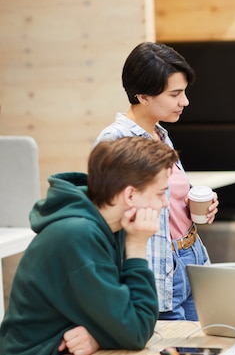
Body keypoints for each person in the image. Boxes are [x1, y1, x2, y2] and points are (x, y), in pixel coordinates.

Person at [0, 136, 179, 355]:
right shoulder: (78, 235)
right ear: (130, 195)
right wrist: (137, 248)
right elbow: (137, 331)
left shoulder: (110, 224)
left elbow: (126, 321)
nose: (165, 202)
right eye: (160, 193)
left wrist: (99, 337)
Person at [94, 41, 218, 321]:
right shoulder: (115, 141)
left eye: (184, 92)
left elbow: (163, 198)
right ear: (143, 96)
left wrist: (193, 205)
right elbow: (107, 219)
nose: (184, 101)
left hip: (192, 256)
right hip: (159, 267)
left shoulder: (159, 134)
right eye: (175, 94)